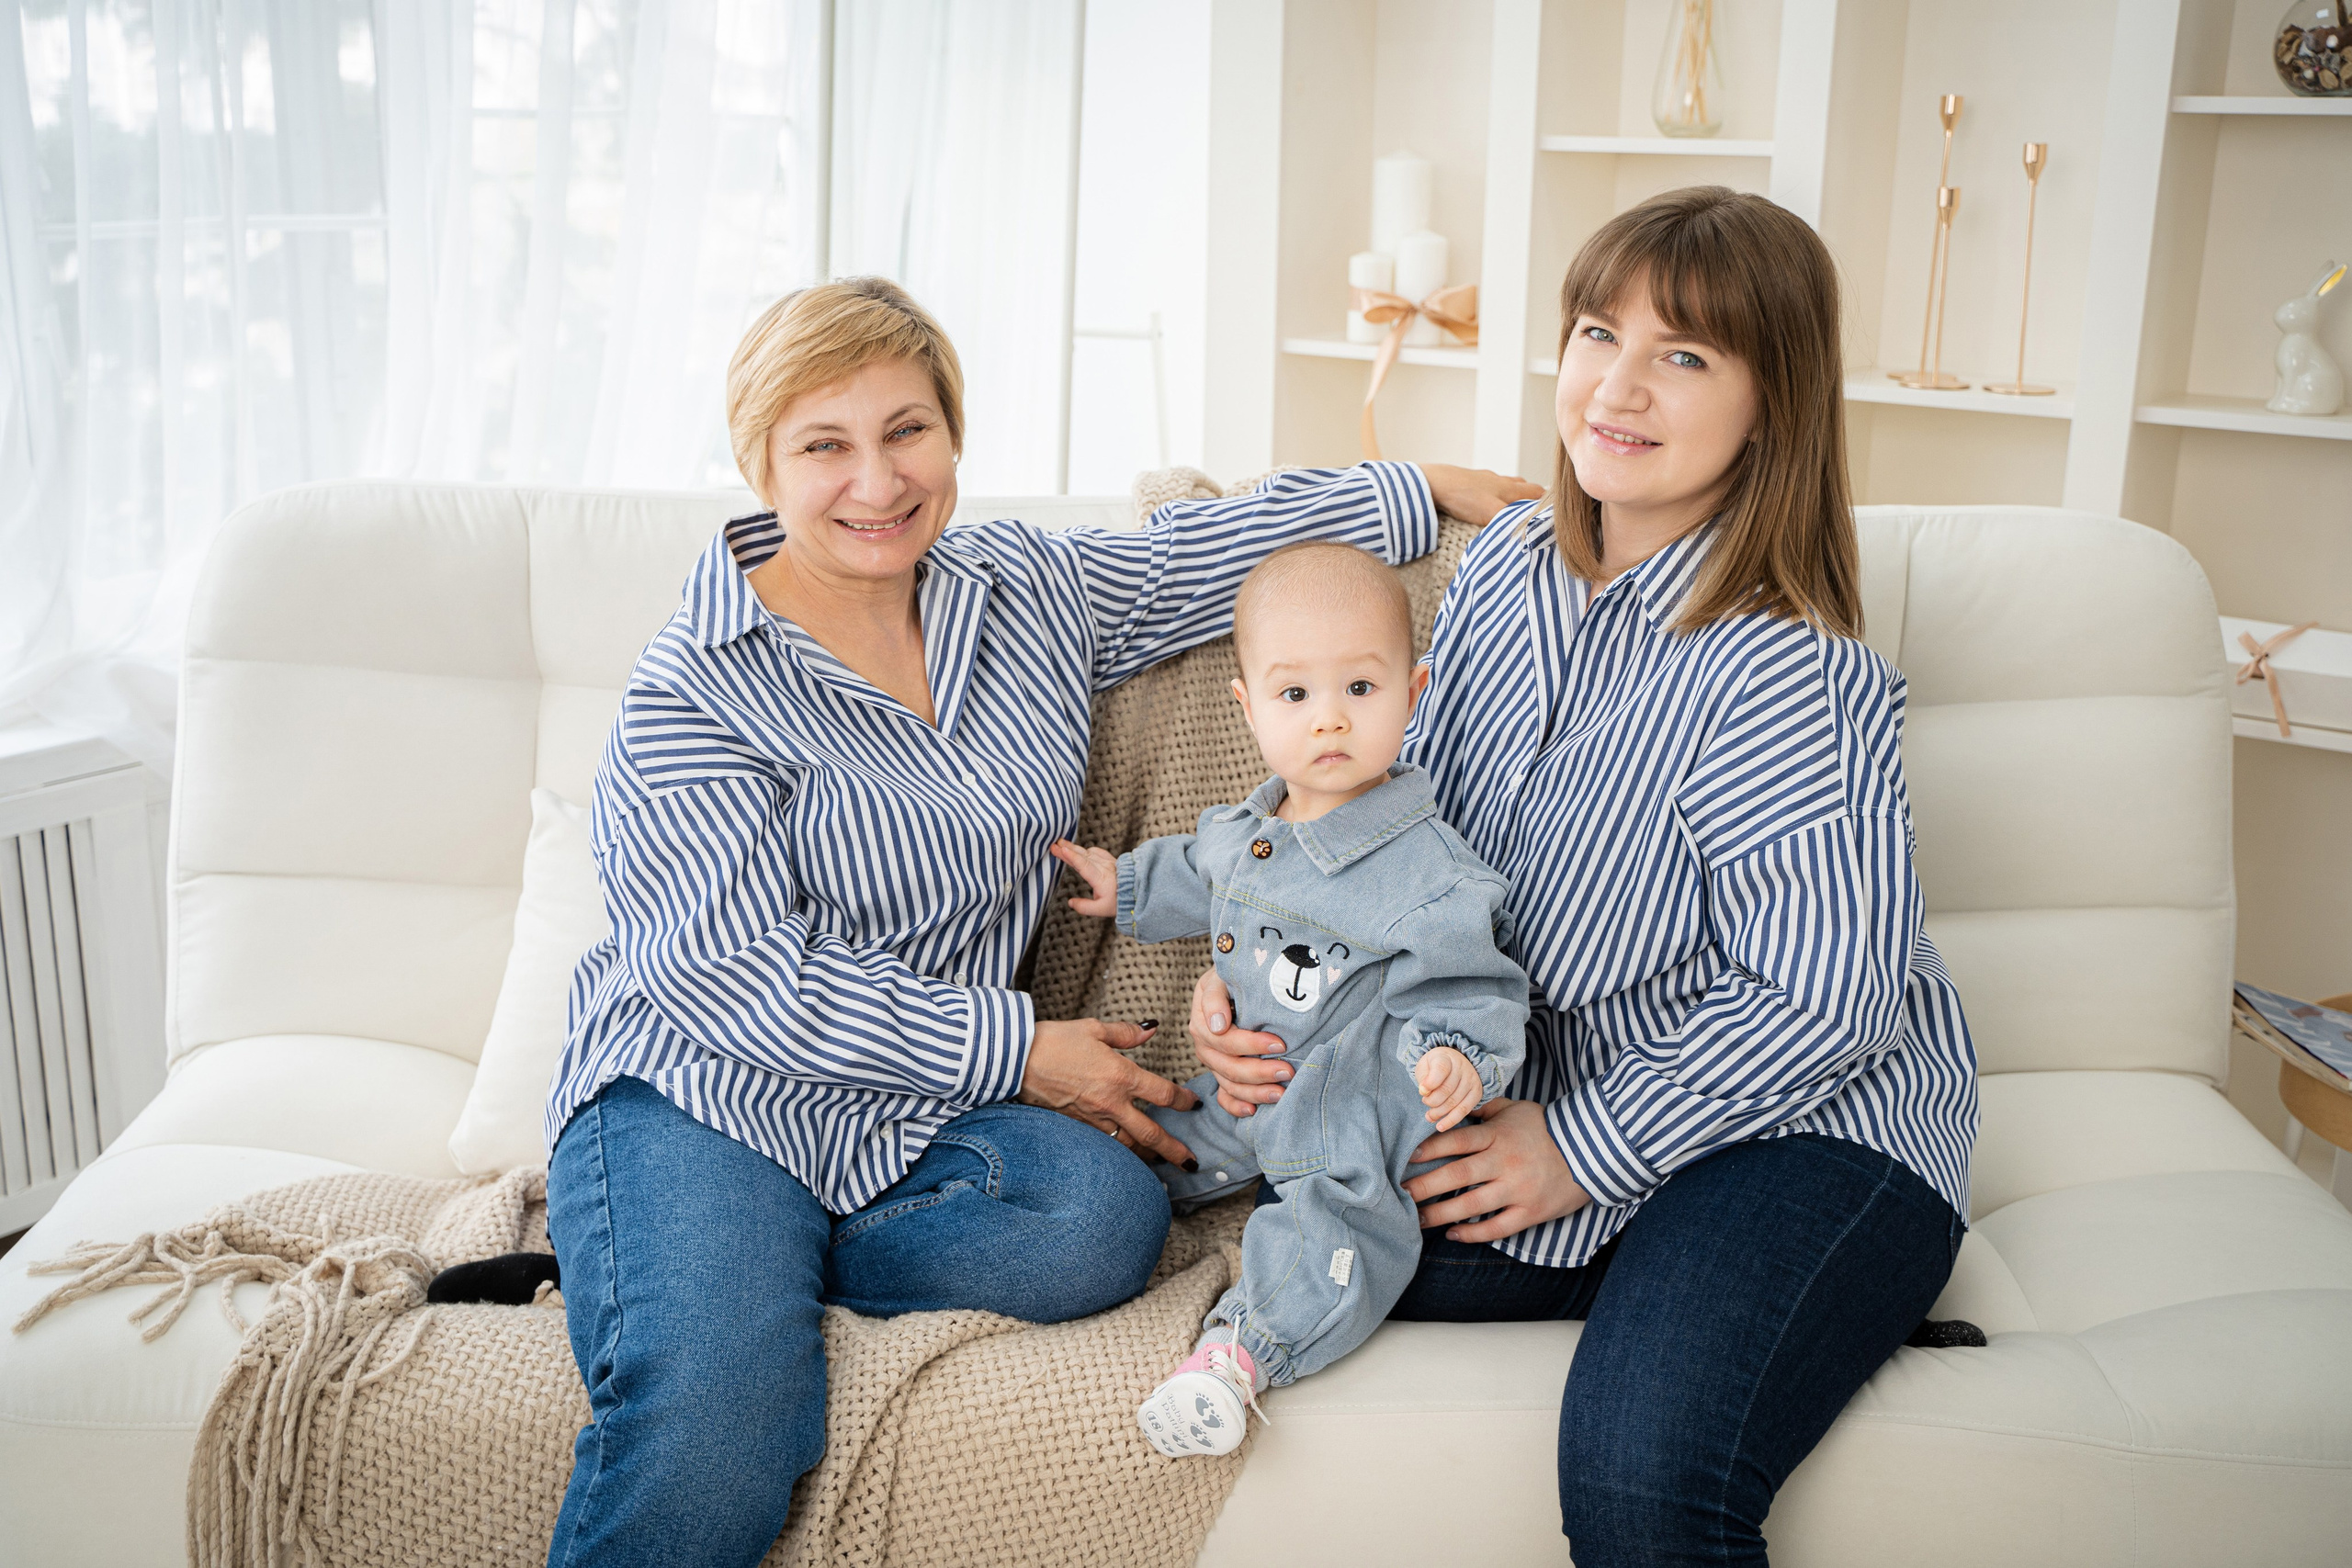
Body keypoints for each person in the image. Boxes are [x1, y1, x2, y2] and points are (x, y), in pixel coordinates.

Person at [537, 275, 1540, 1567]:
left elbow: (1214, 556)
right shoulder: (692, 692)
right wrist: (1017, 1051)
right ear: (758, 464)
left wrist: (1421, 487)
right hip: (708, 1090)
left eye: (908, 429)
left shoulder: (1019, 592)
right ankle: (700, 1280)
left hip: (910, 1116)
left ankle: (752, 1273)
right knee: (722, 1427)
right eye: (823, 444)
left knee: (1099, 1223)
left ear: (951, 432)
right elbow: (735, 981)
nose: (877, 480)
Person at [1187, 186, 1980, 1566]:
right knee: (1304, 1222)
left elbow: (1828, 998)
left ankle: (1831, 1274)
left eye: (1684, 355)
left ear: (1770, 403)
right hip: (1548, 1085)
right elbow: (1379, 836)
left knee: (1643, 1474)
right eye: (1598, 332)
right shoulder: (1500, 574)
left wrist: (1579, 1150)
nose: (1618, 384)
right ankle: (1766, 1298)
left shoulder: (1791, 671)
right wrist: (1253, 979)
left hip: (1808, 1129)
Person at [1048, 541, 1531, 1458]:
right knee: (1138, 1142)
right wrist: (1126, 884)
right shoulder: (1253, 826)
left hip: (1342, 1114)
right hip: (1241, 1092)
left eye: (1361, 689)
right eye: (1295, 695)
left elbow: (1477, 988)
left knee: (1334, 1234)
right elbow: (1198, 868)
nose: (1330, 722)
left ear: (1414, 692)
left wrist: (1455, 1058)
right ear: (1250, 708)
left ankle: (1237, 1356)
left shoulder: (1427, 872)